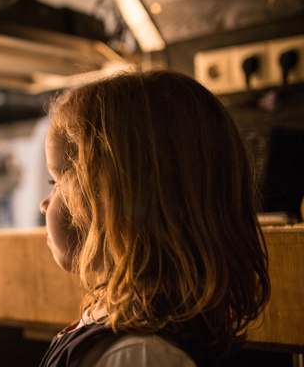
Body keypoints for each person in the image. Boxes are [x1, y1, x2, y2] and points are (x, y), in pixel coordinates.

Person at [37, 69, 271, 367]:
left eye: (56, 181)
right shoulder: (113, 322)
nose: (44, 204)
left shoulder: (139, 356)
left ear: (114, 200)